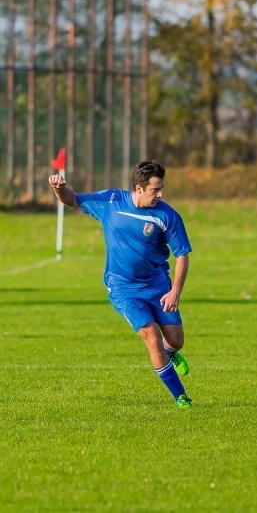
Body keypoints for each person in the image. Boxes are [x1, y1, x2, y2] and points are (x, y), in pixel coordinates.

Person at [49, 161, 194, 409]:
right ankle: (180, 396)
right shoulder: (110, 201)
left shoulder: (168, 216)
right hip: (123, 288)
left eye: (161, 188)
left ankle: (170, 353)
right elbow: (72, 199)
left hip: (159, 287)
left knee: (176, 340)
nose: (160, 194)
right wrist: (59, 189)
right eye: (155, 189)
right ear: (138, 188)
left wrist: (175, 291)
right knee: (151, 337)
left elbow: (182, 254)